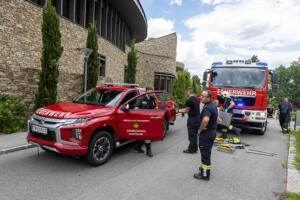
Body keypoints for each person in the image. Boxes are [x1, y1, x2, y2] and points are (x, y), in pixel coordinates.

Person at [194, 90, 218, 181]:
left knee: (205, 154)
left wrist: (200, 129)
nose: (201, 97)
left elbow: (205, 120)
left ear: (208, 97)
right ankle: (204, 169)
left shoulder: (207, 107)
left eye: (203, 96)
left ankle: (205, 175)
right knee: (207, 152)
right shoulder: (213, 105)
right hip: (212, 132)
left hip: (207, 134)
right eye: (201, 95)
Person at [133, 86, 157, 157]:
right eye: (150, 91)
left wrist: (156, 111)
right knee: (146, 134)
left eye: (152, 91)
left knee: (143, 134)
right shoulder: (141, 98)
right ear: (146, 91)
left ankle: (138, 147)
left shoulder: (153, 99)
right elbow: (136, 108)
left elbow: (155, 107)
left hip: (150, 119)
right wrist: (141, 113)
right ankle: (148, 151)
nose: (151, 92)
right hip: (142, 119)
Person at [179, 88, 201, 154]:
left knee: (191, 134)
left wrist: (182, 112)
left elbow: (187, 110)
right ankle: (195, 148)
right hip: (198, 118)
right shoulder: (196, 99)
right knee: (195, 134)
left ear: (188, 92)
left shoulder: (189, 100)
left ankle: (191, 149)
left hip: (192, 119)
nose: (186, 93)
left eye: (186, 92)